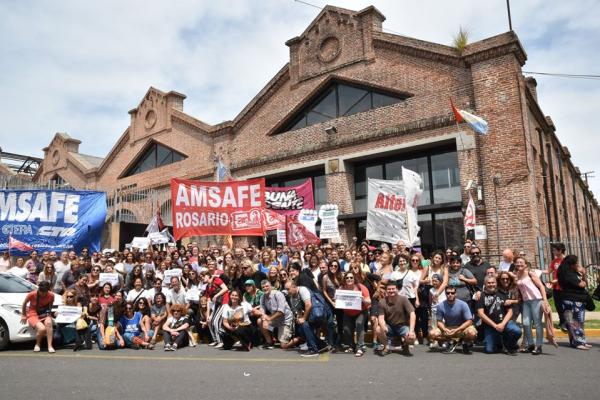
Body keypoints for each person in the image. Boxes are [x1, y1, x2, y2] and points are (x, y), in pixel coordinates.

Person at [515, 256, 550, 355]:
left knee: (537, 323)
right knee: (526, 323)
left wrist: (545, 300)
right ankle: (530, 344)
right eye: (517, 263)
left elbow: (541, 286)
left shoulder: (530, 273)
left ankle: (539, 346)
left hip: (536, 300)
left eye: (521, 262)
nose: (519, 264)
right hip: (526, 301)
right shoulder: (517, 274)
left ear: (525, 264)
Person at [477, 276, 521, 354]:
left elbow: (510, 311)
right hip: (490, 326)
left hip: (504, 323)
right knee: (489, 350)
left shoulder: (503, 294)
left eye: (493, 282)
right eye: (489, 283)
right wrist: (495, 326)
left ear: (496, 283)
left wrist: (502, 324)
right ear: (485, 284)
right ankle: (499, 342)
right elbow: (481, 313)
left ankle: (509, 345)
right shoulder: (481, 296)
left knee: (517, 331)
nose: (491, 285)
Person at [429, 286, 477, 354]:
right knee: (432, 334)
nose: (450, 295)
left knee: (472, 333)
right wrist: (444, 329)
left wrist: (458, 329)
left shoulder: (463, 304)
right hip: (448, 328)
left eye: (452, 293)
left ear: (455, 294)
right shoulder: (440, 305)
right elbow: (439, 321)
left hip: (462, 328)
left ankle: (464, 342)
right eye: (448, 293)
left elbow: (469, 321)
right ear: (445, 294)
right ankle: (451, 341)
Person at [558, 255, 592, 350]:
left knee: (571, 321)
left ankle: (576, 341)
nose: (578, 264)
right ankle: (579, 342)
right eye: (576, 263)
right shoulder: (569, 274)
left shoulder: (563, 271)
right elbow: (582, 284)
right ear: (572, 264)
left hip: (566, 299)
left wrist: (578, 271)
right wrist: (584, 274)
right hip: (575, 300)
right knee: (578, 321)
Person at [376, 281, 416, 356]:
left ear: (397, 289)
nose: (391, 291)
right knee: (378, 329)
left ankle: (405, 344)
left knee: (412, 339)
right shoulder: (382, 302)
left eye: (393, 289)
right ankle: (386, 347)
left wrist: (411, 331)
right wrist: (383, 326)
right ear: (386, 290)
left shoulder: (404, 299)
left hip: (402, 326)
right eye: (389, 289)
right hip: (389, 327)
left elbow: (412, 314)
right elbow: (381, 318)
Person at [339, 271, 371, 357]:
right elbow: (339, 301)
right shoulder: (341, 289)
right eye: (347, 278)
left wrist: (363, 299)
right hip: (348, 312)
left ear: (354, 279)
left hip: (361, 311)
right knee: (346, 329)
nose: (349, 279)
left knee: (359, 324)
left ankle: (360, 347)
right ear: (344, 279)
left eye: (351, 277)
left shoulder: (361, 288)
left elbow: (369, 302)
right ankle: (352, 346)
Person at [20, 281, 55, 353]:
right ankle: (37, 344)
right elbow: (24, 303)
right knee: (42, 329)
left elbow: (50, 305)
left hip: (44, 313)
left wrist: (49, 313)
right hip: (33, 313)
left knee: (48, 323)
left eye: (45, 292)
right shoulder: (32, 294)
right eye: (41, 291)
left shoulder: (51, 295)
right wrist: (23, 314)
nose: (42, 293)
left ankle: (50, 346)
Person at [259, 280, 294, 349]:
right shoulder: (262, 297)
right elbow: (262, 310)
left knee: (283, 346)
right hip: (275, 320)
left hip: (285, 320)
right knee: (260, 321)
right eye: (263, 287)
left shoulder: (278, 294)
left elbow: (281, 312)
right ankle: (269, 342)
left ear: (271, 287)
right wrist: (264, 319)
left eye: (267, 286)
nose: (265, 288)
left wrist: (268, 319)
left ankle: (299, 338)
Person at [548, 243, 566, 331]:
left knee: (565, 306)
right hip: (556, 288)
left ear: (560, 251)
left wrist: (557, 280)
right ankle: (562, 322)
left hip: (565, 288)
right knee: (558, 306)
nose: (553, 251)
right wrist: (536, 271)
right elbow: (548, 271)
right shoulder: (554, 261)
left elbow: (568, 275)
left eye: (554, 250)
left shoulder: (567, 260)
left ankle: (567, 323)